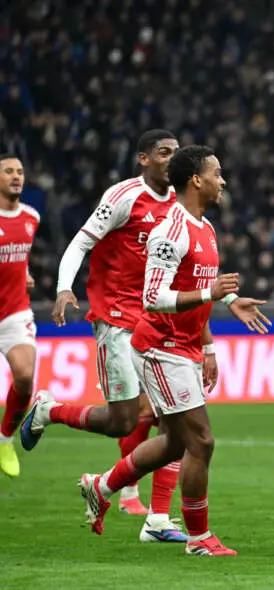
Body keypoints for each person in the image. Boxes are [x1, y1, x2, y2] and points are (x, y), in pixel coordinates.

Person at [56, 146, 268, 556]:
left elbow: (199, 284)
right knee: (201, 441)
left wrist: (229, 301)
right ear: (197, 180)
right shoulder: (170, 232)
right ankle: (199, 539)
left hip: (184, 345)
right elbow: (153, 298)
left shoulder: (205, 228)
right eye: (217, 173)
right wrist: (210, 293)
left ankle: (101, 486)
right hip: (161, 346)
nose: (223, 181)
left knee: (174, 442)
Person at [21, 130, 191, 541]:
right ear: (144, 158)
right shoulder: (123, 197)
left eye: (176, 153)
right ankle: (48, 411)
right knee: (122, 422)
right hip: (117, 318)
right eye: (163, 153)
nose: (172, 159)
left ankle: (157, 519)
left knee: (177, 420)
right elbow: (81, 243)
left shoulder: (181, 205)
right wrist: (64, 288)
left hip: (157, 320)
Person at [0, 153, 40, 478]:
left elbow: (17, 255)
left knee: (25, 378)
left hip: (14, 312)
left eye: (20, 172)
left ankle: (4, 439)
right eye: (9, 171)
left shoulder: (31, 217)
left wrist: (23, 272)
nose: (16, 176)